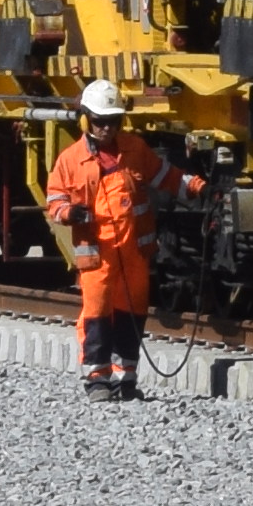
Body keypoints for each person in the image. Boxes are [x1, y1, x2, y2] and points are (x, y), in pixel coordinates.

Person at [41, 81, 164, 398]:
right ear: (85, 119)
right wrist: (69, 213)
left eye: (113, 121)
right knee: (96, 315)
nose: (107, 128)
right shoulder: (71, 160)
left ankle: (126, 379)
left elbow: (166, 175)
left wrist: (199, 188)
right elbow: (54, 201)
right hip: (98, 255)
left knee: (133, 314)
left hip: (134, 252)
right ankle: (97, 378)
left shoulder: (135, 150)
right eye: (100, 121)